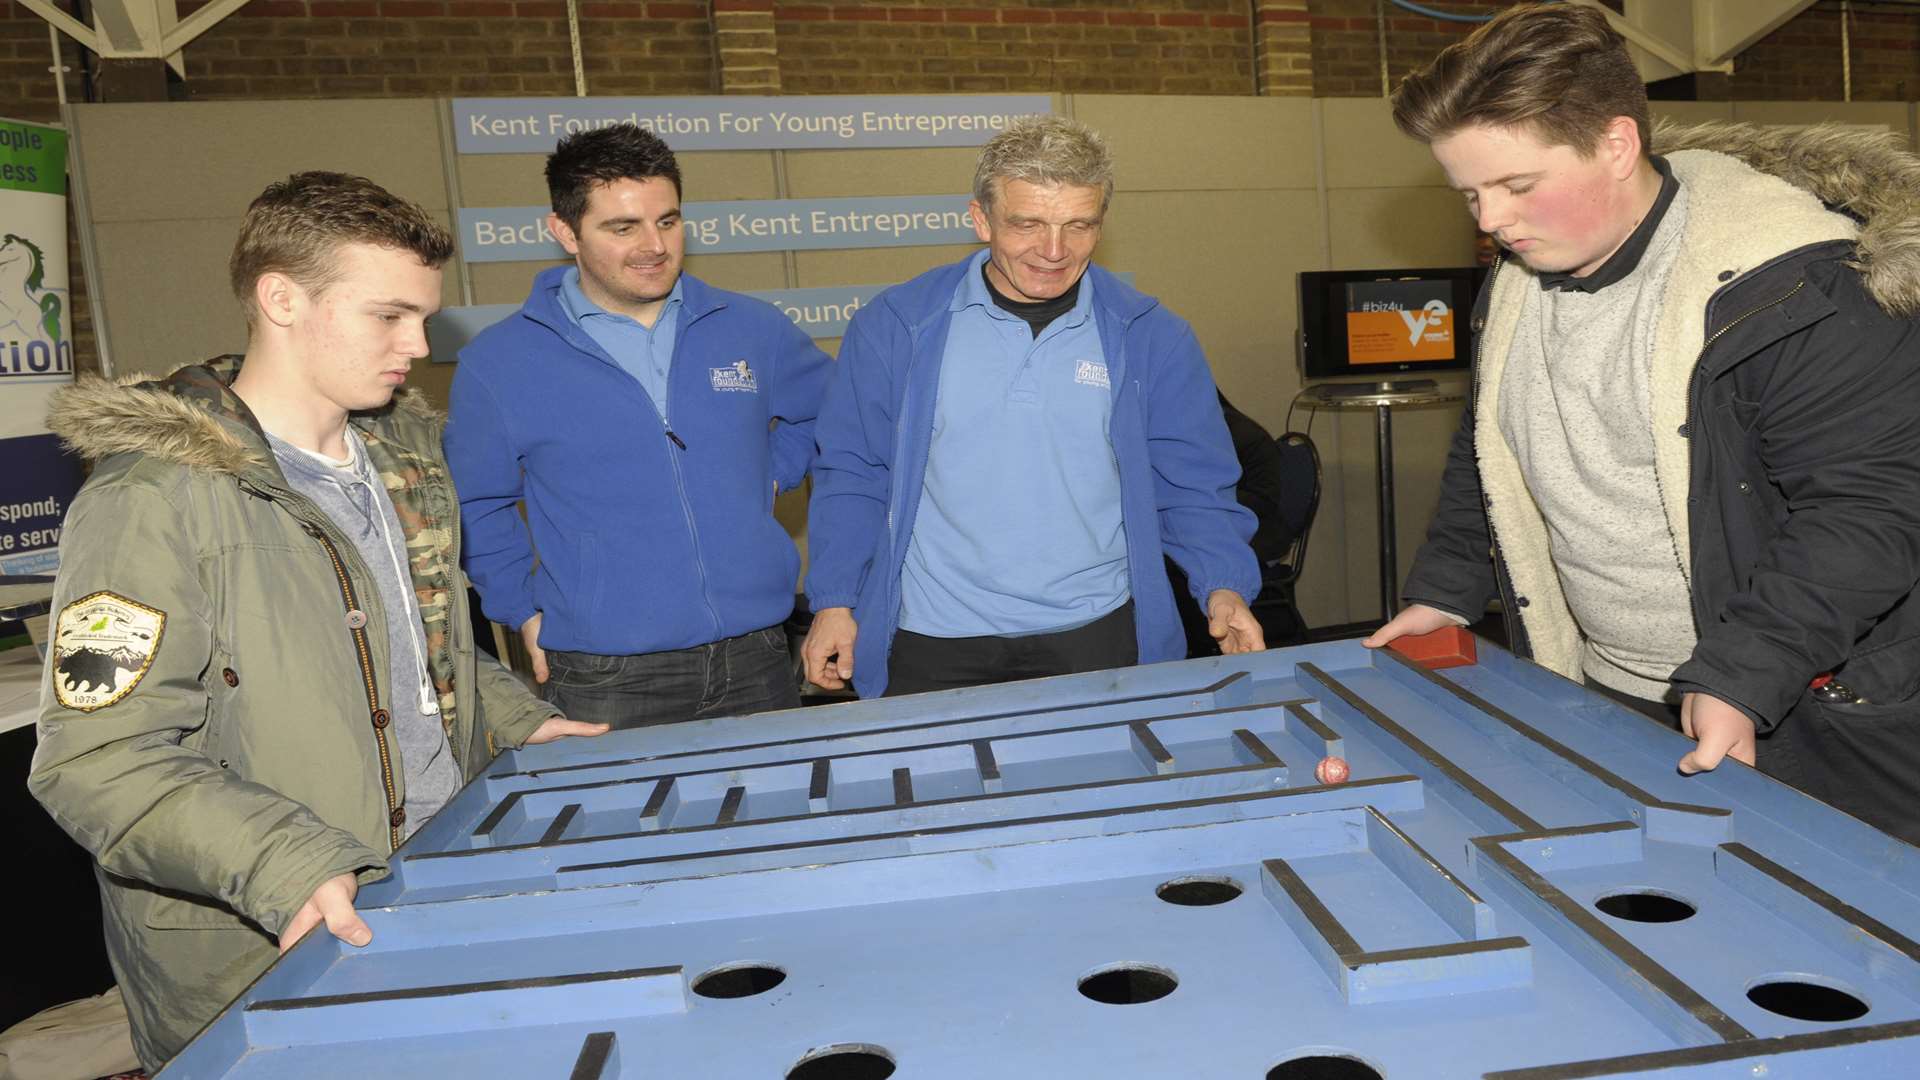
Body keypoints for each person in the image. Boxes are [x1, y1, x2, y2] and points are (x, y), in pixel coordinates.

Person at [28, 172, 607, 1069]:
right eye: (389, 316)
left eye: (423, 316)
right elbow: (96, 759)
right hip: (264, 955)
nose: (418, 343)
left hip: (432, 887)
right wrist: (284, 862)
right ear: (281, 298)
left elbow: (424, 657)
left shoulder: (403, 460)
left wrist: (529, 726)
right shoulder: (149, 498)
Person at [1365, 5, 1920, 844]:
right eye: (1471, 192)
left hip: (1798, 707)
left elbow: (1867, 513)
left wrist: (1741, 674)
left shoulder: (1802, 288)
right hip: (1611, 686)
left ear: (1618, 144)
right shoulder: (1521, 276)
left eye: (1516, 185)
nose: (1489, 220)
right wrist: (1445, 594)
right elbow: (1490, 448)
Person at [802, 115, 1264, 699]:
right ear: (980, 219)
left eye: (1078, 226)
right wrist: (836, 601)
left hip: (1095, 636)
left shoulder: (1150, 336)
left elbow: (1194, 484)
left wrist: (1223, 587)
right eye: (1028, 224)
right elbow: (853, 474)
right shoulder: (896, 327)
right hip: (931, 640)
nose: (1054, 251)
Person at [447, 124, 832, 728]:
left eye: (668, 221)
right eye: (622, 227)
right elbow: (476, 504)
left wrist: (766, 475)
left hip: (759, 655)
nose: (654, 246)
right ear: (564, 232)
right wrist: (521, 608)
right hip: (605, 674)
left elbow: (827, 414)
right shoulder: (499, 363)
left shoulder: (752, 328)